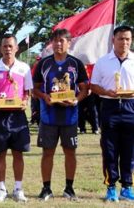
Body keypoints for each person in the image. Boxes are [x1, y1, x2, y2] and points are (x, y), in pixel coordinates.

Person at [33, 28, 88, 201]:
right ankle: (46, 188)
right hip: (48, 115)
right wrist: (45, 97)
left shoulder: (76, 63)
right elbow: (35, 88)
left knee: (70, 152)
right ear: (51, 43)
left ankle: (69, 188)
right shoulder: (44, 63)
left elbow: (85, 88)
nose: (58, 44)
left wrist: (76, 100)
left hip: (70, 116)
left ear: (69, 42)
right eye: (55, 41)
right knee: (47, 152)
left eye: (62, 40)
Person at [0, 34, 33, 202]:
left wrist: (25, 101)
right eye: (5, 46)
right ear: (0, 48)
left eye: (10, 46)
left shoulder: (25, 68)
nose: (7, 49)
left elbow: (27, 92)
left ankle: (18, 188)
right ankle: (1, 188)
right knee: (0, 154)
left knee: (18, 153)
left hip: (17, 116)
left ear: (16, 48)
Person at [91, 25, 134, 202]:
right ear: (113, 40)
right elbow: (93, 86)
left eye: (128, 39)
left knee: (129, 150)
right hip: (109, 107)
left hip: (131, 107)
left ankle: (127, 187)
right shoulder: (102, 61)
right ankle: (111, 187)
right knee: (109, 150)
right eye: (120, 38)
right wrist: (107, 92)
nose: (124, 42)